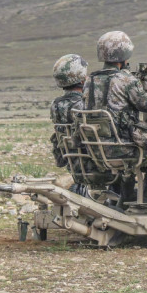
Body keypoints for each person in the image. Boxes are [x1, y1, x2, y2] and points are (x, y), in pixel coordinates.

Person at [79, 30, 147, 164]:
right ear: (124, 54)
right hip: (123, 148)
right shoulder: (125, 79)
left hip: (95, 148)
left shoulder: (89, 80)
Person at [49, 53, 113, 190]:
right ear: (82, 78)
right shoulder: (85, 105)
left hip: (73, 164)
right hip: (96, 164)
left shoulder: (55, 105)